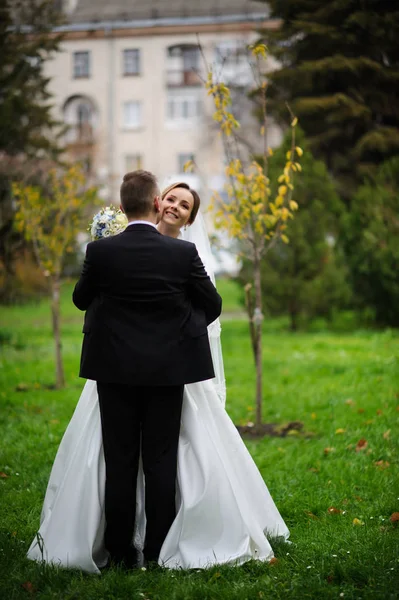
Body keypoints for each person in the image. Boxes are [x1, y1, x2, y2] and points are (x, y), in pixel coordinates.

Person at [27, 177, 289, 573]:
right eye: (170, 199)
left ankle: (118, 554)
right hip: (167, 373)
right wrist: (176, 330)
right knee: (161, 462)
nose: (173, 207)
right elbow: (213, 305)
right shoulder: (182, 255)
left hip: (113, 372)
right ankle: (156, 551)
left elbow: (81, 300)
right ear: (155, 201)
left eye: (184, 205)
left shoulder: (101, 251)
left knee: (119, 463)